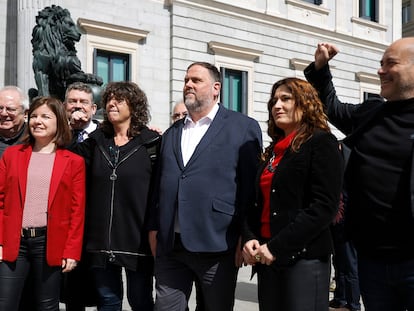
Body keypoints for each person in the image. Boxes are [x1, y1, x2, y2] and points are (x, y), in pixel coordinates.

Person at [304, 38, 414, 310]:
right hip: (372, 261)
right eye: (380, 64)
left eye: (391, 64)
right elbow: (332, 107)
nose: (380, 71)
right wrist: (320, 68)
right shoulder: (372, 113)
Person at [148, 62, 263, 311]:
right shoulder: (172, 133)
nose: (188, 85)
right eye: (186, 80)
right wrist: (154, 227)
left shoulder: (243, 127)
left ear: (216, 88)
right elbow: (160, 186)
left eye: (196, 80)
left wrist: (246, 234)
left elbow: (250, 188)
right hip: (172, 245)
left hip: (218, 243)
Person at [241, 77, 342, 311]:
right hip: (266, 258)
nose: (277, 105)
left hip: (303, 260)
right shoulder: (272, 152)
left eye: (286, 99)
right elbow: (255, 203)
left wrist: (276, 247)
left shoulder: (321, 142)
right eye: (274, 100)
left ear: (305, 103)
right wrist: (249, 237)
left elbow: (323, 207)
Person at [71, 81, 161, 311]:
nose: (111, 103)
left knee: (140, 300)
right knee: (108, 302)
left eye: (119, 100)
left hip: (137, 237)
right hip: (100, 238)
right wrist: (73, 128)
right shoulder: (96, 142)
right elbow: (67, 161)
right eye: (109, 99)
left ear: (135, 106)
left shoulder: (152, 143)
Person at [0, 96, 86, 310]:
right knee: (5, 304)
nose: (37, 121)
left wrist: (71, 251)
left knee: (46, 306)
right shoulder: (12, 155)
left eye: (45, 116)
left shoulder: (74, 162)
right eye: (34, 116)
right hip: (13, 242)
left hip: (49, 243)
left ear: (58, 121)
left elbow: (77, 211)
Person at [61, 81, 100, 311]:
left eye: (83, 102)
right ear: (65, 106)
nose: (78, 106)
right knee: (70, 290)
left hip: (96, 222)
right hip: (65, 222)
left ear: (93, 109)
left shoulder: (105, 135)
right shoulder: (55, 136)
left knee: (103, 289)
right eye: (73, 102)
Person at [329, 142, 361, 311]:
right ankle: (340, 298)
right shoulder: (338, 163)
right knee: (339, 261)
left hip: (348, 222)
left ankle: (353, 304)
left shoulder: (350, 161)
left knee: (349, 264)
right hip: (336, 221)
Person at [0, 85, 29, 156]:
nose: (3, 113)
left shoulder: (36, 139)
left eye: (10, 109)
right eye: (0, 108)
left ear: (25, 113)